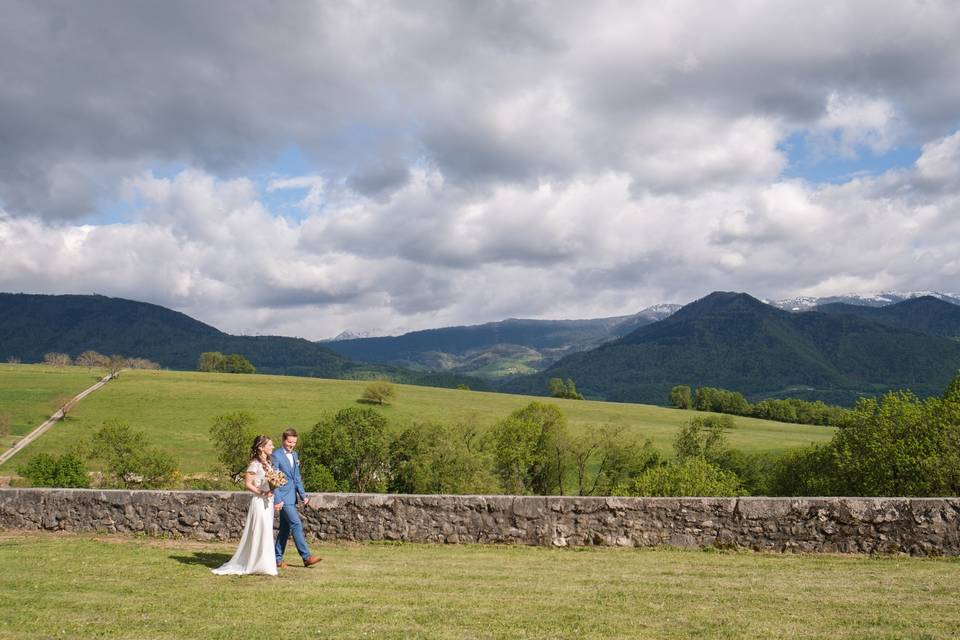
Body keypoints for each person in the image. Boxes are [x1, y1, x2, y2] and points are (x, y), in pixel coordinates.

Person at [212, 435, 282, 576]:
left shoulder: (268, 463)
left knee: (267, 531)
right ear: (261, 447)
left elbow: (269, 480)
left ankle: (266, 564)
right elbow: (248, 484)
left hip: (268, 502)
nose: (272, 447)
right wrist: (262, 492)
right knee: (259, 531)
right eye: (270, 445)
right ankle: (254, 563)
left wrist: (273, 488)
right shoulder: (254, 463)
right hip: (259, 501)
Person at [272, 428, 321, 568]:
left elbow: (297, 477)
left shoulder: (294, 454)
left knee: (285, 529)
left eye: (294, 442)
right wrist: (277, 499)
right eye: (289, 442)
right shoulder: (276, 455)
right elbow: (273, 479)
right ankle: (306, 557)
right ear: (283, 440)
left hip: (292, 497)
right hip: (282, 497)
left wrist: (303, 494)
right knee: (296, 524)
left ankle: (277, 559)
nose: (291, 445)